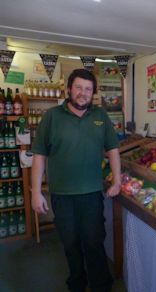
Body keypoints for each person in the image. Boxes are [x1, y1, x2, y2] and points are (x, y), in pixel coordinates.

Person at [31, 68, 121, 292]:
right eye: (79, 87)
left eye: (88, 89)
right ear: (69, 89)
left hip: (91, 194)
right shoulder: (52, 116)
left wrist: (117, 180)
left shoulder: (100, 116)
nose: (83, 93)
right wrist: (35, 191)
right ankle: (77, 285)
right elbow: (40, 155)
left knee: (94, 244)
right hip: (62, 196)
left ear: (93, 93)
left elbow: (113, 149)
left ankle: (101, 287)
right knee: (70, 246)